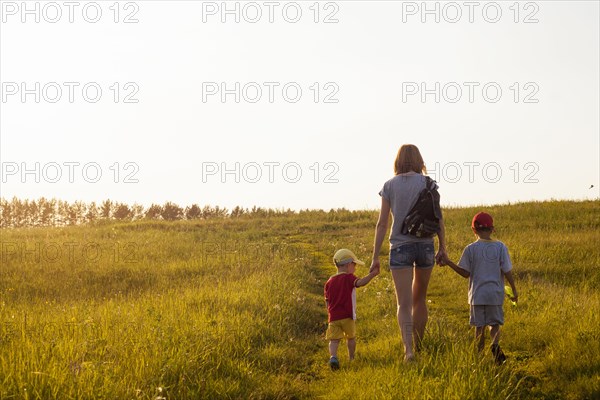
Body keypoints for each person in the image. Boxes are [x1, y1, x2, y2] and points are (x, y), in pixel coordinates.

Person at [369, 144, 447, 362]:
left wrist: (375, 256)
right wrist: (443, 247)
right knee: (419, 299)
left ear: (398, 160)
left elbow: (382, 224)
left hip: (400, 246)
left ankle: (409, 351)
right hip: (425, 245)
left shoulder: (389, 186)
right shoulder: (429, 184)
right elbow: (438, 219)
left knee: (403, 303)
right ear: (419, 159)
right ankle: (420, 345)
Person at [441, 211, 518, 365]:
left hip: (477, 296)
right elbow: (507, 271)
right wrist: (514, 290)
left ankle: (479, 357)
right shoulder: (500, 247)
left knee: (479, 327)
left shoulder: (470, 249)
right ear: (492, 229)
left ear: (473, 230)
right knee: (494, 324)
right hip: (495, 295)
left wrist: (449, 263)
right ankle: (495, 346)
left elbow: (465, 273)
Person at [325, 248, 379, 370]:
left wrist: (329, 313)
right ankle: (351, 358)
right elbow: (360, 283)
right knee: (351, 338)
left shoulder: (329, 282)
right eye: (354, 265)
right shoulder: (349, 278)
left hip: (333, 317)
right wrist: (372, 274)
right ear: (348, 265)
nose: (355, 268)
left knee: (334, 340)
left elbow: (327, 301)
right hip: (347, 316)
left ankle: (333, 357)